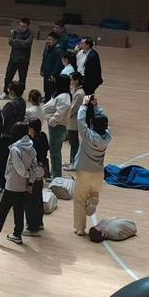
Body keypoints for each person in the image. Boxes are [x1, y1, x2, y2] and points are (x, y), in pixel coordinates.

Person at [0, 122, 36, 246]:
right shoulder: (31, 147)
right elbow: (34, 167)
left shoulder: (15, 149)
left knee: (2, 212)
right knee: (19, 212)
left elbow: (19, 168)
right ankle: (17, 235)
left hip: (12, 186)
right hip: (24, 186)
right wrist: (31, 179)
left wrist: (27, 174)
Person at [74, 97, 112, 236]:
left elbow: (80, 120)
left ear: (92, 124)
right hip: (98, 172)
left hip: (84, 171)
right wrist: (96, 107)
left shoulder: (87, 135)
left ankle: (80, 228)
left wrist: (84, 105)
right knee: (93, 192)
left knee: (79, 199)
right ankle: (94, 200)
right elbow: (103, 120)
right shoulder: (108, 136)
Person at [42, 75, 72, 179]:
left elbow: (60, 114)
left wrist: (51, 121)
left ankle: (57, 175)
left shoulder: (64, 97)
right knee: (53, 150)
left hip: (57, 126)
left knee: (55, 151)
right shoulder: (59, 94)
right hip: (54, 126)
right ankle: (54, 172)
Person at [24, 117, 49, 236]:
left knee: (30, 200)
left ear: (32, 129)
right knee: (38, 198)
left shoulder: (32, 143)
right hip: (42, 171)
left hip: (34, 172)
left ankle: (32, 228)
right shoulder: (43, 136)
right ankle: (39, 223)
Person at [0, 81, 26, 190]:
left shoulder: (10, 105)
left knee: (3, 162)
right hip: (18, 136)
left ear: (12, 91)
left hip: (6, 136)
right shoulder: (23, 102)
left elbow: (1, 120)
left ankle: (2, 183)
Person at [3, 18, 33, 97]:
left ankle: (19, 94)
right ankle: (6, 92)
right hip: (13, 58)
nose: (21, 28)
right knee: (8, 76)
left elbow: (27, 44)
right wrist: (21, 43)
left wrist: (16, 41)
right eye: (20, 26)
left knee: (22, 78)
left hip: (24, 60)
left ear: (28, 26)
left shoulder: (30, 34)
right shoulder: (15, 32)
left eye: (23, 26)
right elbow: (10, 41)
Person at [65, 72, 86, 171]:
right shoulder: (77, 91)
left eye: (71, 80)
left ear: (76, 81)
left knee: (74, 143)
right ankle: (72, 161)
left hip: (74, 122)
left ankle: (75, 163)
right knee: (73, 143)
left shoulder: (79, 94)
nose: (70, 82)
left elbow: (73, 108)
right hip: (73, 121)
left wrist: (64, 116)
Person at [39, 32, 63, 99]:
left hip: (52, 76)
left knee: (51, 92)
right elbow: (44, 59)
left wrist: (53, 75)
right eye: (47, 39)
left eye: (50, 40)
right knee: (46, 90)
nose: (47, 41)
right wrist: (42, 69)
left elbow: (58, 64)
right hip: (46, 73)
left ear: (55, 41)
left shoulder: (58, 51)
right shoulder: (47, 48)